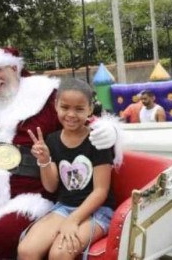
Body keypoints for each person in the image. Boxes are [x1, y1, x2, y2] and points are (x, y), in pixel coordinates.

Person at [0, 47, 120, 259]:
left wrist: (109, 130)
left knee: (6, 233)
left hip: (31, 197)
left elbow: (76, 119)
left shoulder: (46, 97)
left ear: (13, 67)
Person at [18, 78, 115, 260]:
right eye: (65, 107)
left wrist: (73, 220)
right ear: (56, 106)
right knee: (26, 251)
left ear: (90, 109)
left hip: (98, 210)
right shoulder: (52, 140)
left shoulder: (97, 141)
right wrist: (45, 161)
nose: (71, 114)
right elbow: (51, 187)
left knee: (60, 253)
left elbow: (101, 191)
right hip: (64, 207)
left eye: (79, 109)